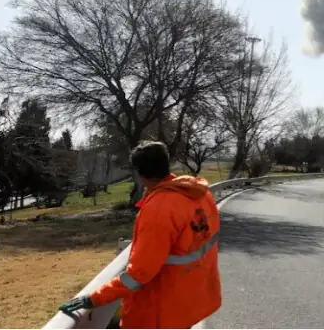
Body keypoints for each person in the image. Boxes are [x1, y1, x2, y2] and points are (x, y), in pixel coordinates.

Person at [59, 141, 222, 329]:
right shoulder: (200, 195)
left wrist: (95, 298)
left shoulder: (160, 208)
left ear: (139, 172)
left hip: (162, 311)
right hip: (192, 299)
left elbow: (139, 274)